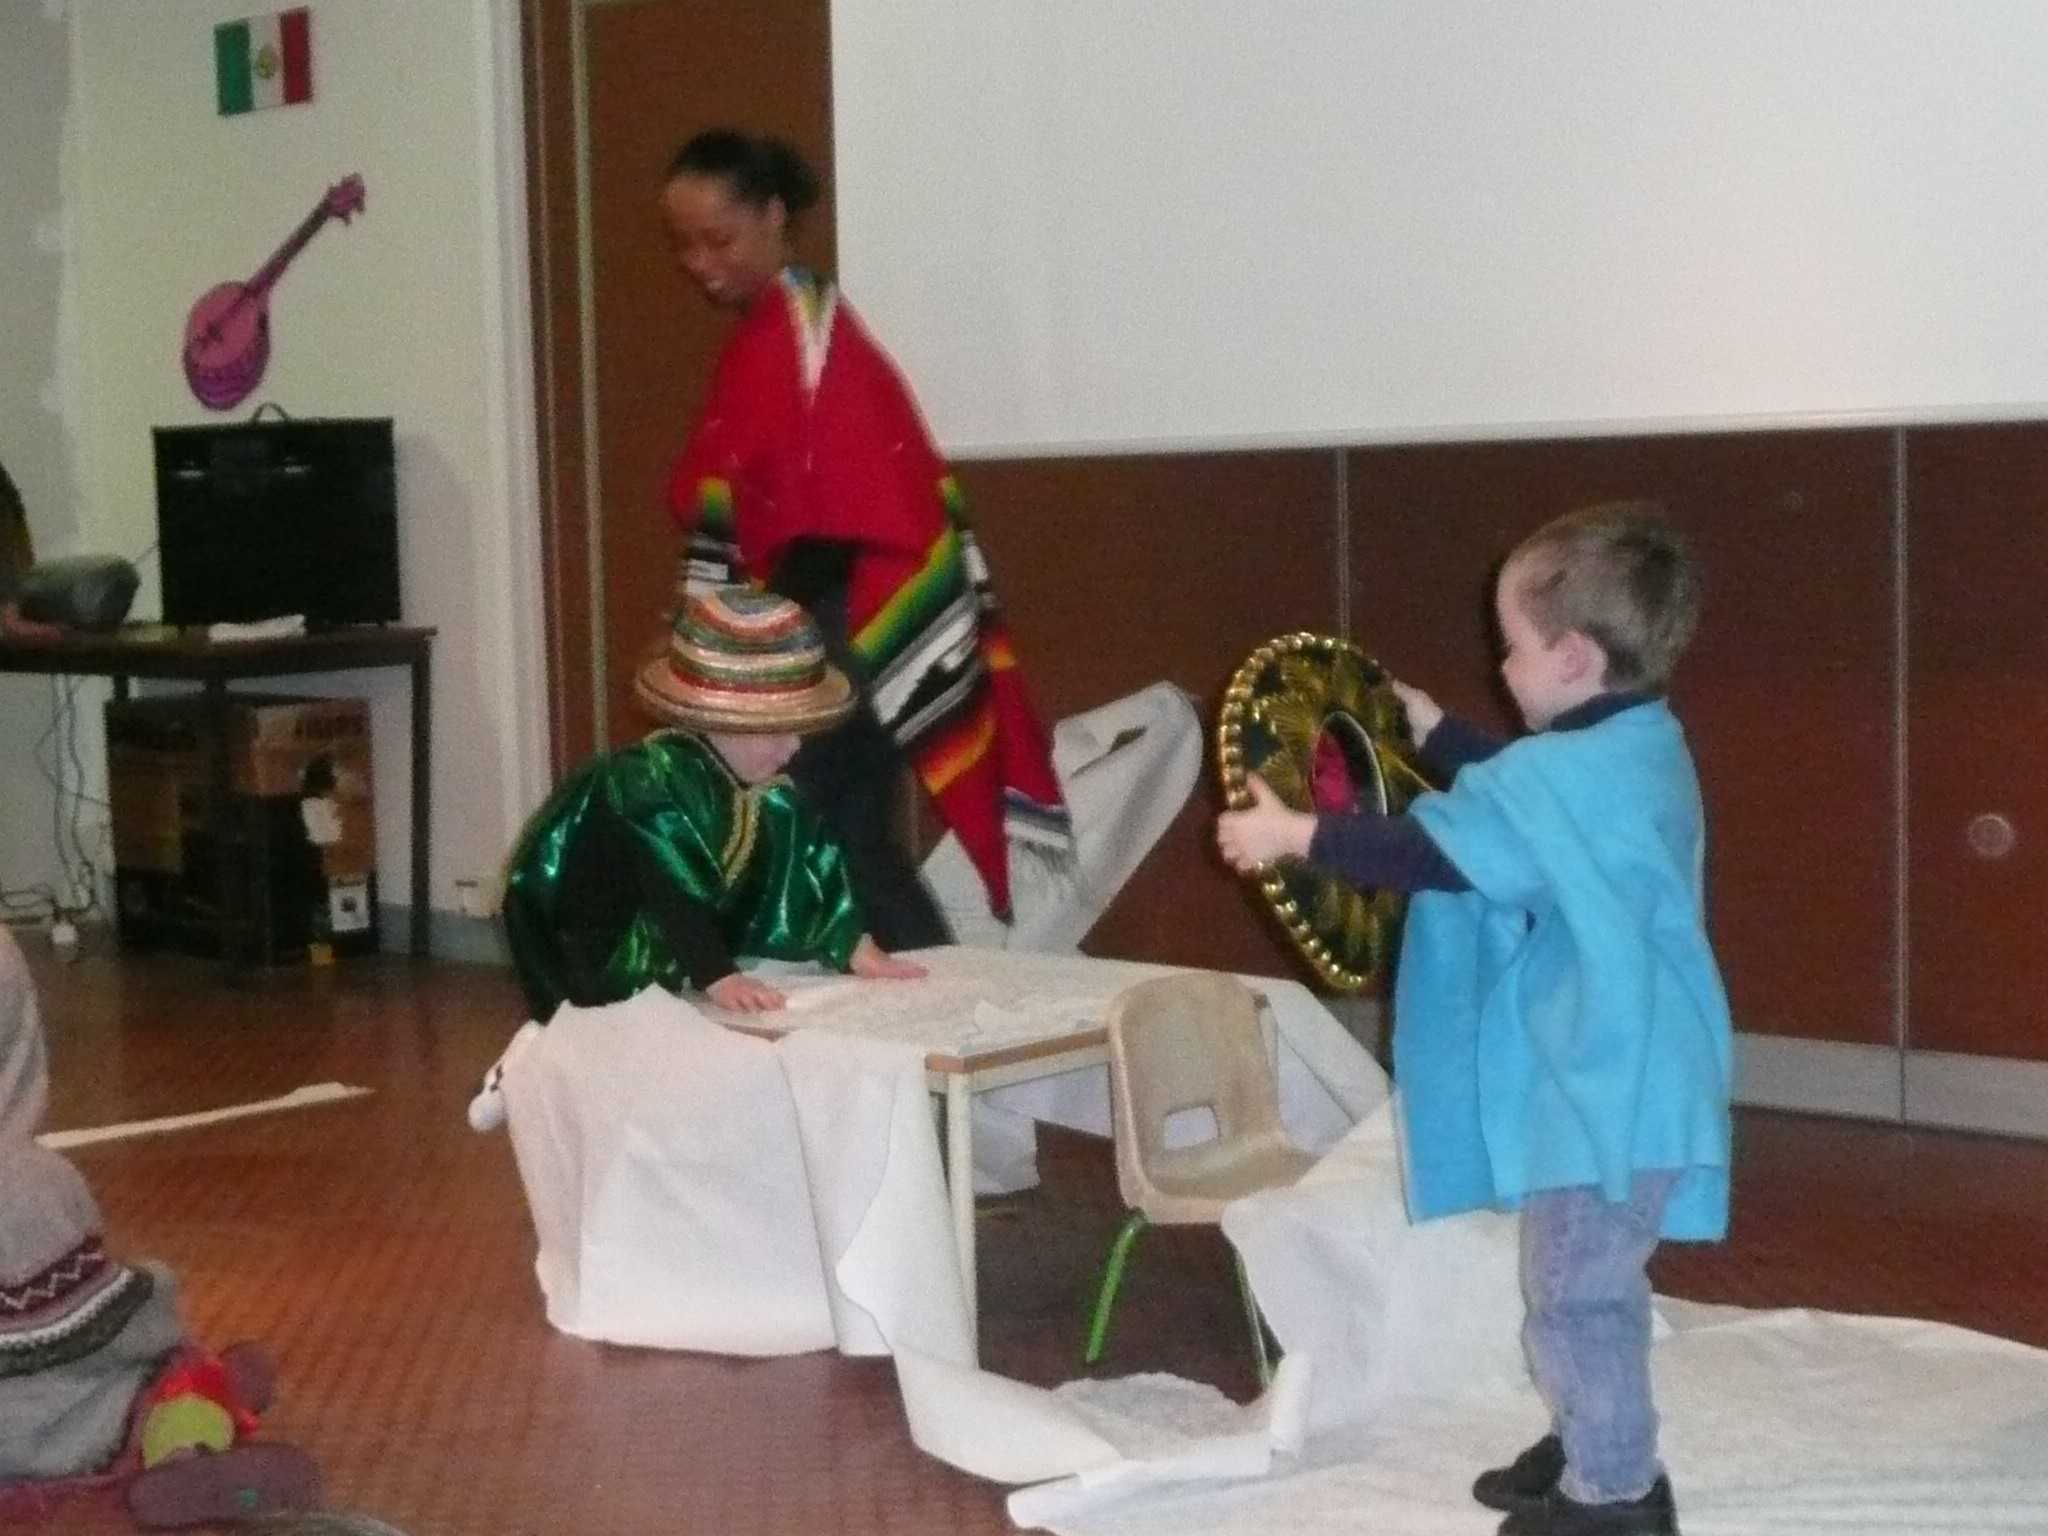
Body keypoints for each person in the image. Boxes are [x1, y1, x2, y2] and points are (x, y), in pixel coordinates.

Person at [1216, 502, 1732, 1536]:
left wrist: (1293, 836)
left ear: (1573, 658)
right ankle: (1592, 1437)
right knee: (1584, 1282)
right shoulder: (1640, 742)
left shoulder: (1566, 775)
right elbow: (1528, 800)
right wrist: (1440, 735)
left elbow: (1438, 853)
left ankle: (1616, 1494)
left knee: (1574, 1294)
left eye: (1514, 647)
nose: (1503, 666)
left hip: (1606, 1087)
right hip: (1640, 1073)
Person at [659, 128, 1071, 948]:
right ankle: (925, 990)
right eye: (686, 245)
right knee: (845, 831)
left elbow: (837, 518)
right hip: (833, 614)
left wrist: (756, 643)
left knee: (808, 815)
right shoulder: (775, 334)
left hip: (855, 614)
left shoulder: (807, 339)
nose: (701, 263)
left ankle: (899, 991)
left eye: (719, 239)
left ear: (774, 216)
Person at [0, 925, 320, 1528]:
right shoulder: (34, 1183)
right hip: (78, 1430)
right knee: (174, 1378)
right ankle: (188, 1451)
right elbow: (100, 1330)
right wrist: (153, 1296)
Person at [500, 586, 926, 1021]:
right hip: (598, 949)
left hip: (670, 945)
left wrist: (854, 944)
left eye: (799, 731)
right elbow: (669, 887)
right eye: (777, 732)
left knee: (782, 815)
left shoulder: (761, 787)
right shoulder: (649, 780)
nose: (794, 746)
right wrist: (717, 975)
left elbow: (806, 862)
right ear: (721, 720)